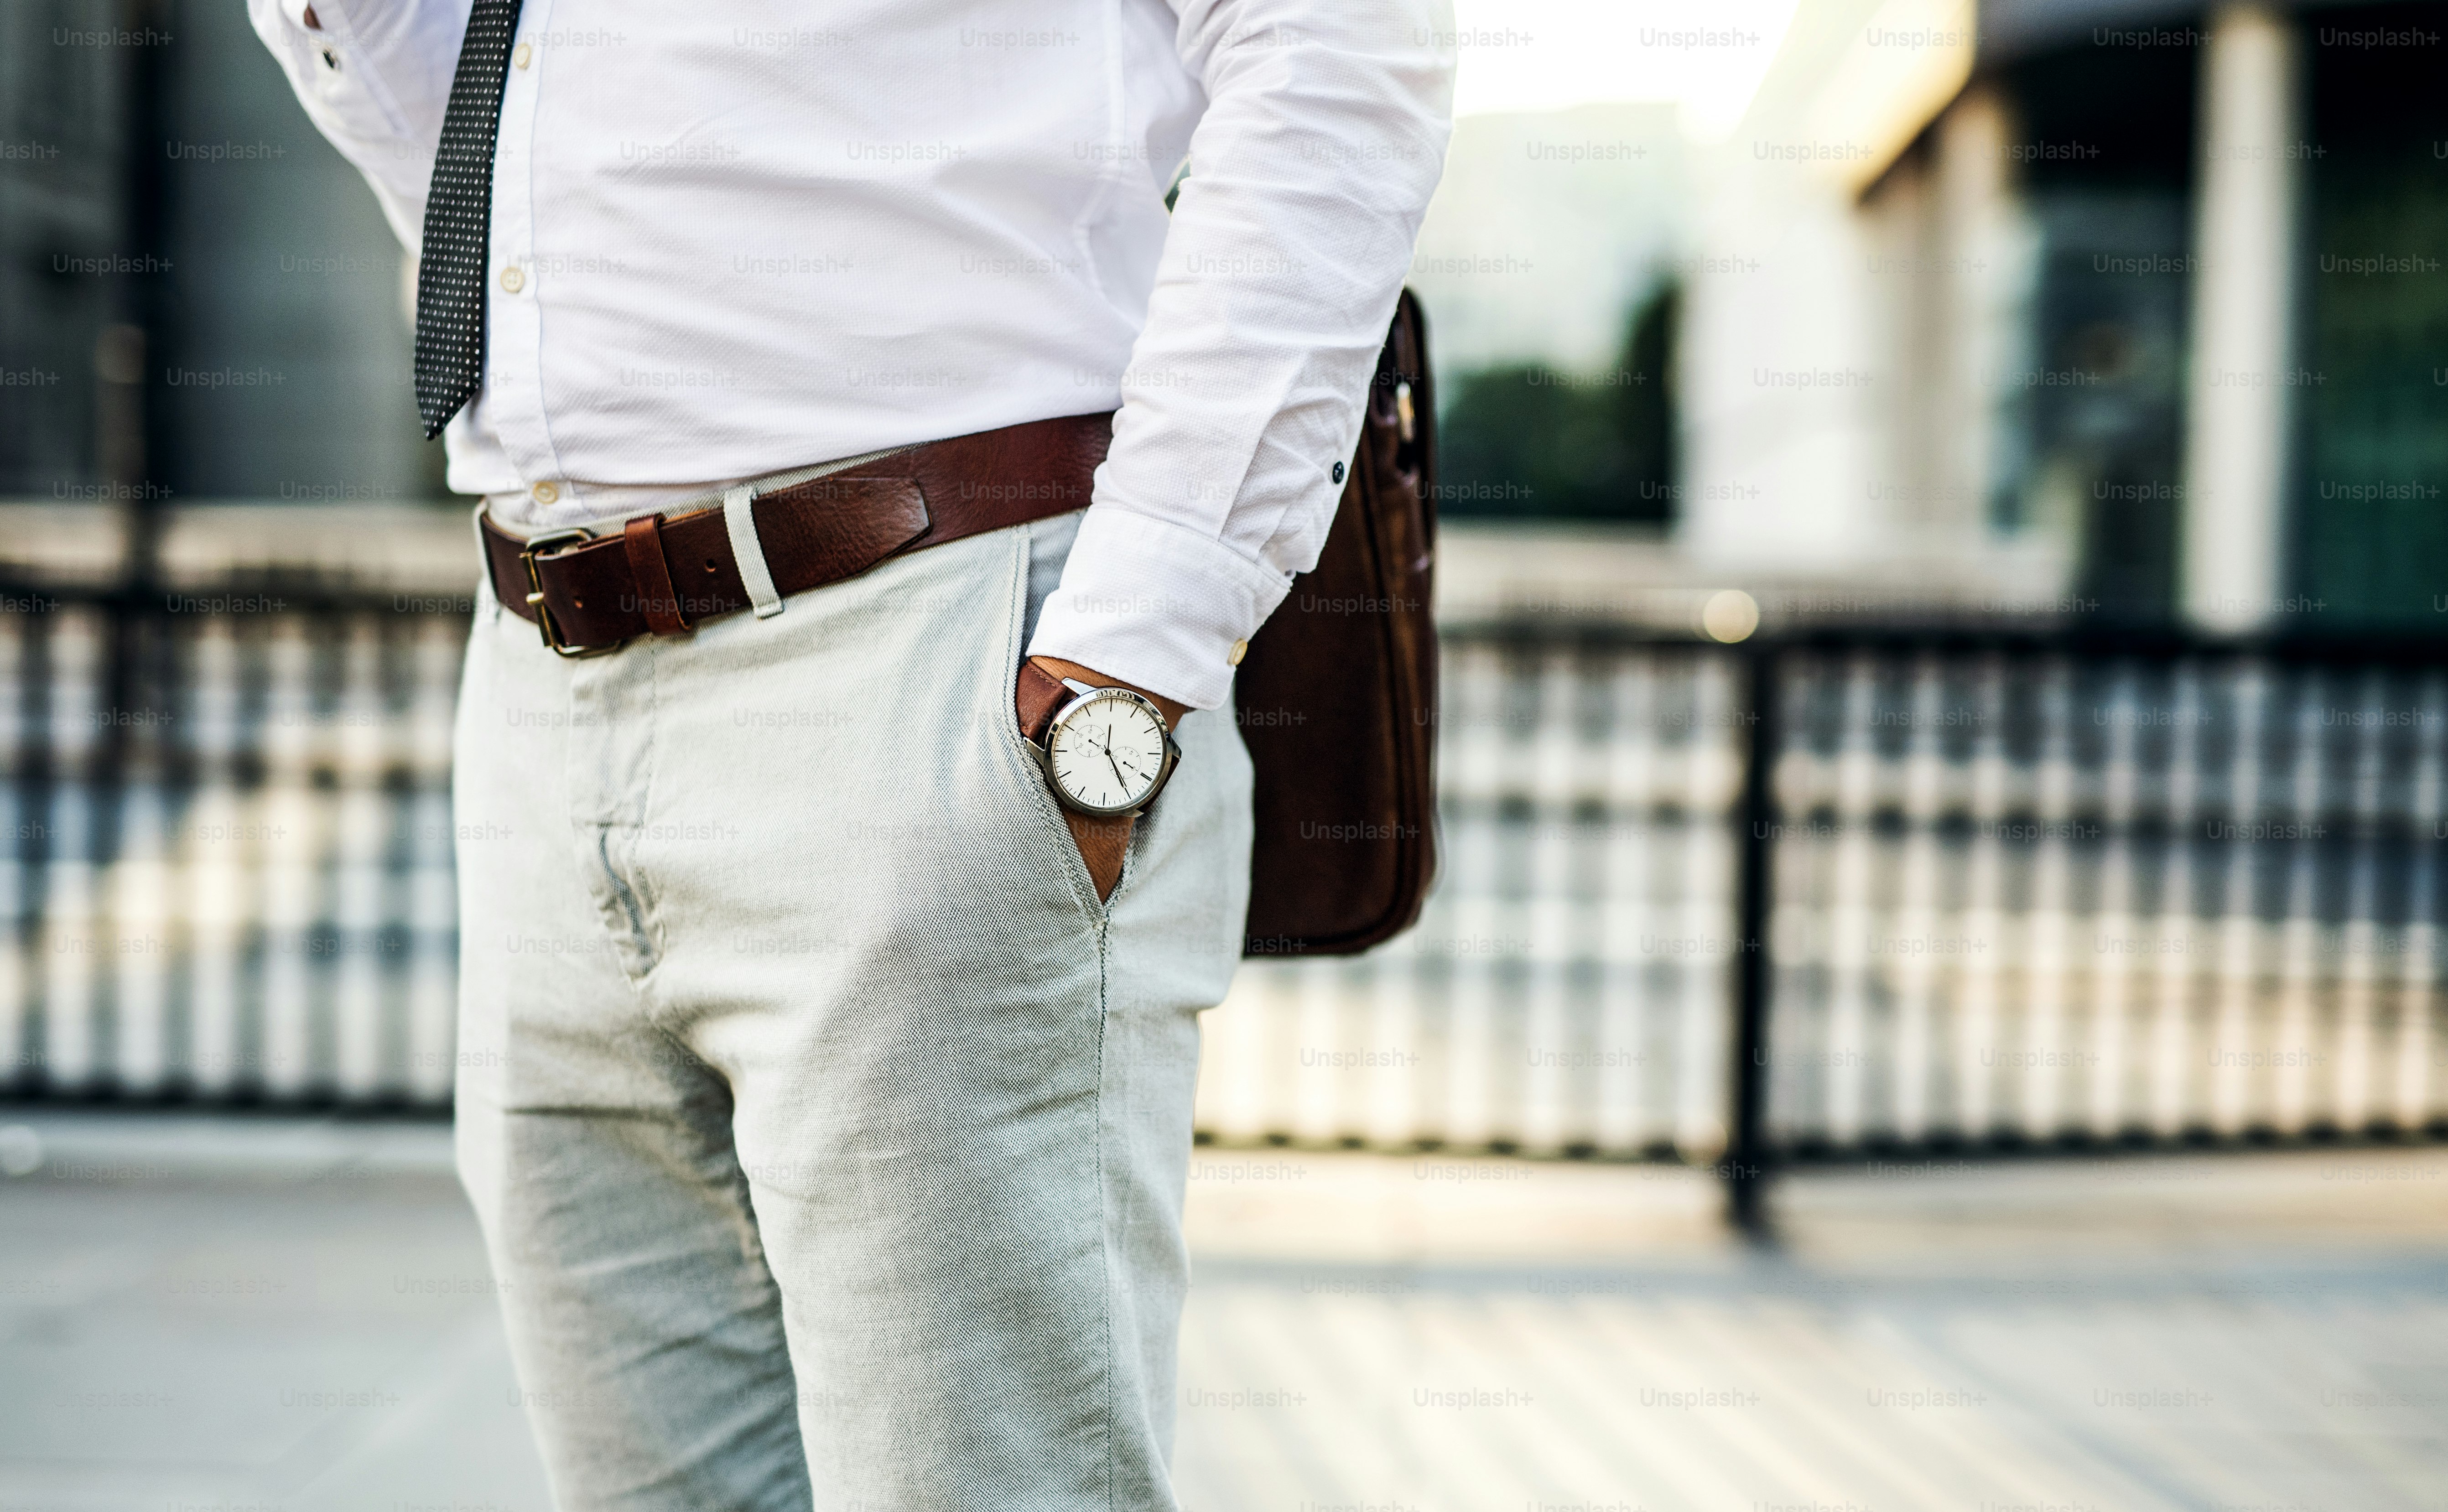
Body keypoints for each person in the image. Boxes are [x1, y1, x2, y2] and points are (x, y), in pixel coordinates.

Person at [249, 1, 1451, 1506]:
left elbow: (1335, 39)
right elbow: (492, 134)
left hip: (930, 639)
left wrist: (1128, 654)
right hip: (545, 674)